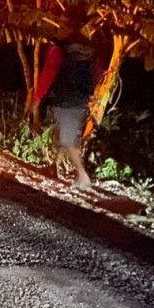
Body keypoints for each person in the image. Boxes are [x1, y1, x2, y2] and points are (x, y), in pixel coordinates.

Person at [29, 11, 101, 191]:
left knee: (67, 140)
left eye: (60, 26)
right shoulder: (88, 47)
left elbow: (48, 74)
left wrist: (37, 98)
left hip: (64, 97)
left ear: (67, 27)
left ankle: (82, 176)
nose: (57, 29)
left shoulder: (60, 47)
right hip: (81, 98)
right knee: (64, 134)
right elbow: (98, 72)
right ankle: (55, 167)